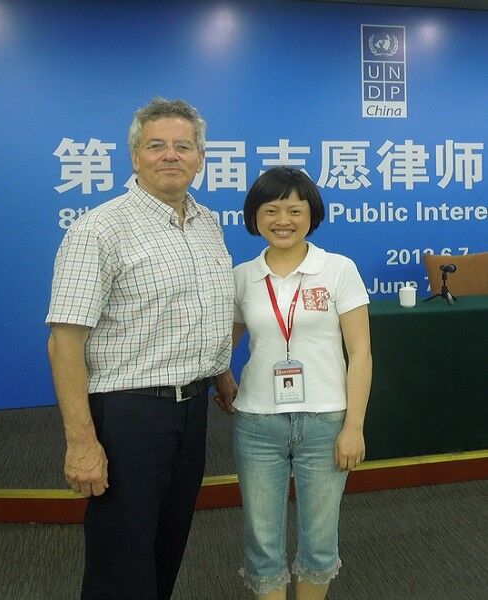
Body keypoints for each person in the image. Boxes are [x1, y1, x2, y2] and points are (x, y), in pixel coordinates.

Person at [46, 97, 235, 600]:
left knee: (167, 547)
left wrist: (222, 374)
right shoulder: (99, 229)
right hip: (129, 416)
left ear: (200, 157)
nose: (171, 155)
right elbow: (64, 342)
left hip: (193, 410)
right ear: (134, 156)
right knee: (121, 561)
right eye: (157, 145)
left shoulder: (206, 222)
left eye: (183, 146)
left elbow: (202, 311)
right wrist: (81, 442)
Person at [214, 167, 372, 600]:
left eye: (294, 210)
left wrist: (354, 427)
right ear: (255, 216)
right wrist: (222, 375)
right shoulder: (243, 276)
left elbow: (360, 353)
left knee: (319, 540)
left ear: (311, 214)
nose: (282, 220)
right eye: (271, 210)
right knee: (262, 541)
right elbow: (223, 343)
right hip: (257, 424)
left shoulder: (338, 269)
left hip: (325, 422)